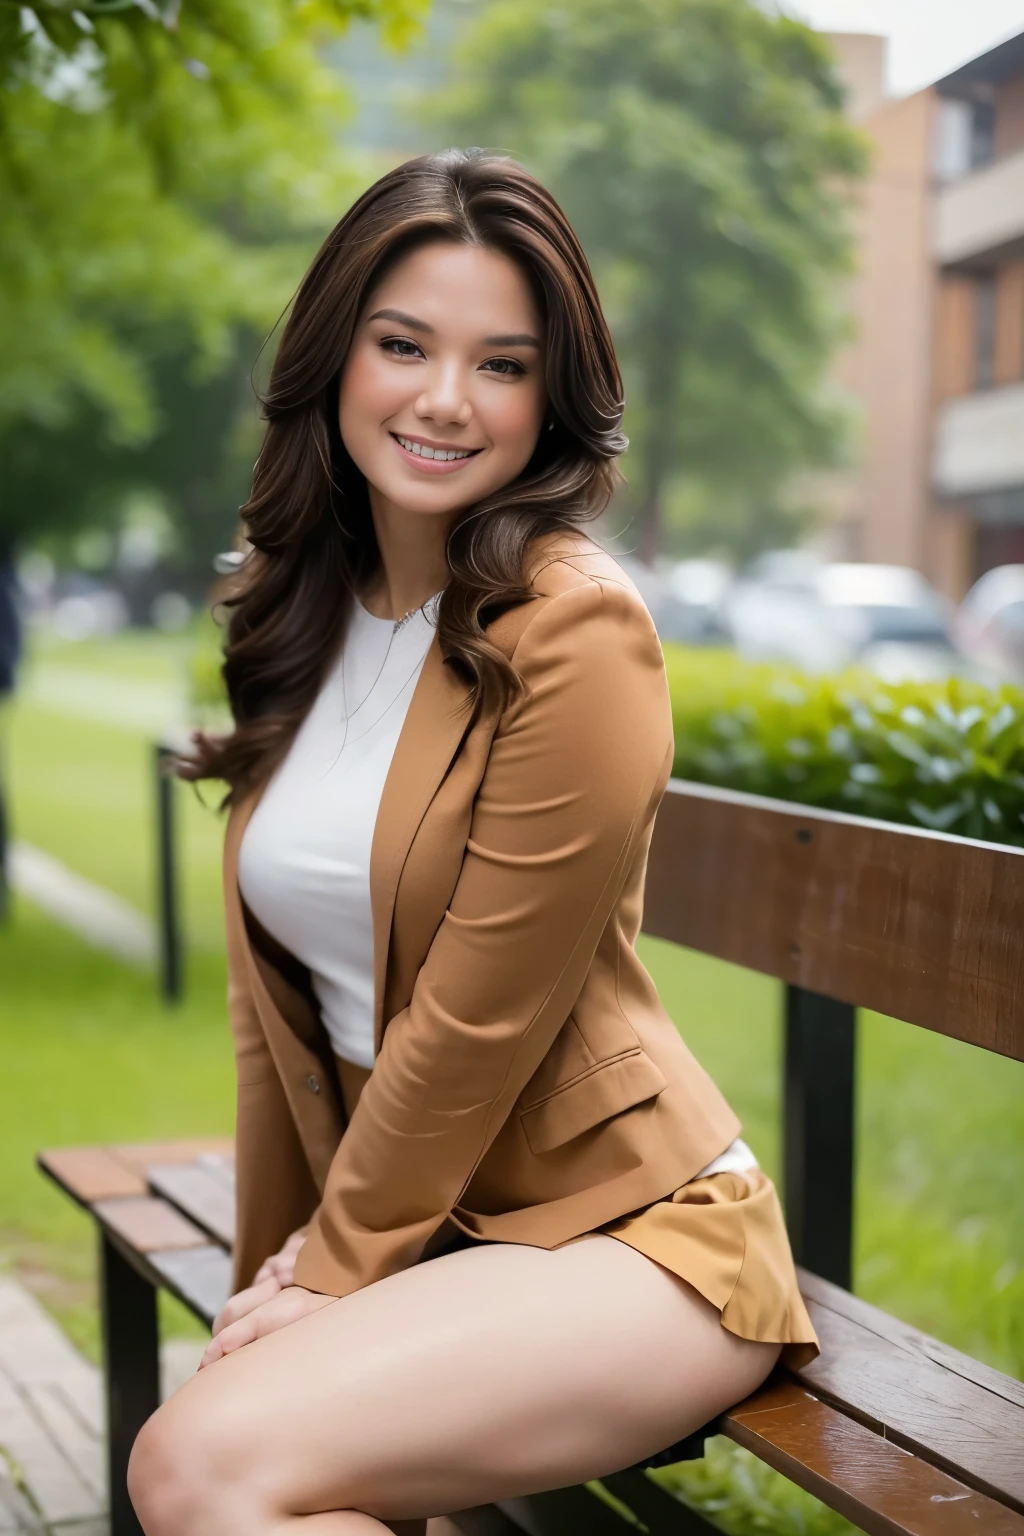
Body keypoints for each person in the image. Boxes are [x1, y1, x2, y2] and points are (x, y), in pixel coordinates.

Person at [126, 148, 817, 1536]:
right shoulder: (310, 613)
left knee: (193, 1470)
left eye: (502, 365)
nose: (446, 399)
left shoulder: (575, 630)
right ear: (337, 353)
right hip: (435, 1226)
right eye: (404, 345)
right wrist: (273, 1278)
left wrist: (329, 1273)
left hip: (632, 1234)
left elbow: (475, 1019)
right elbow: (281, 1028)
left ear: (550, 398)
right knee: (243, 1473)